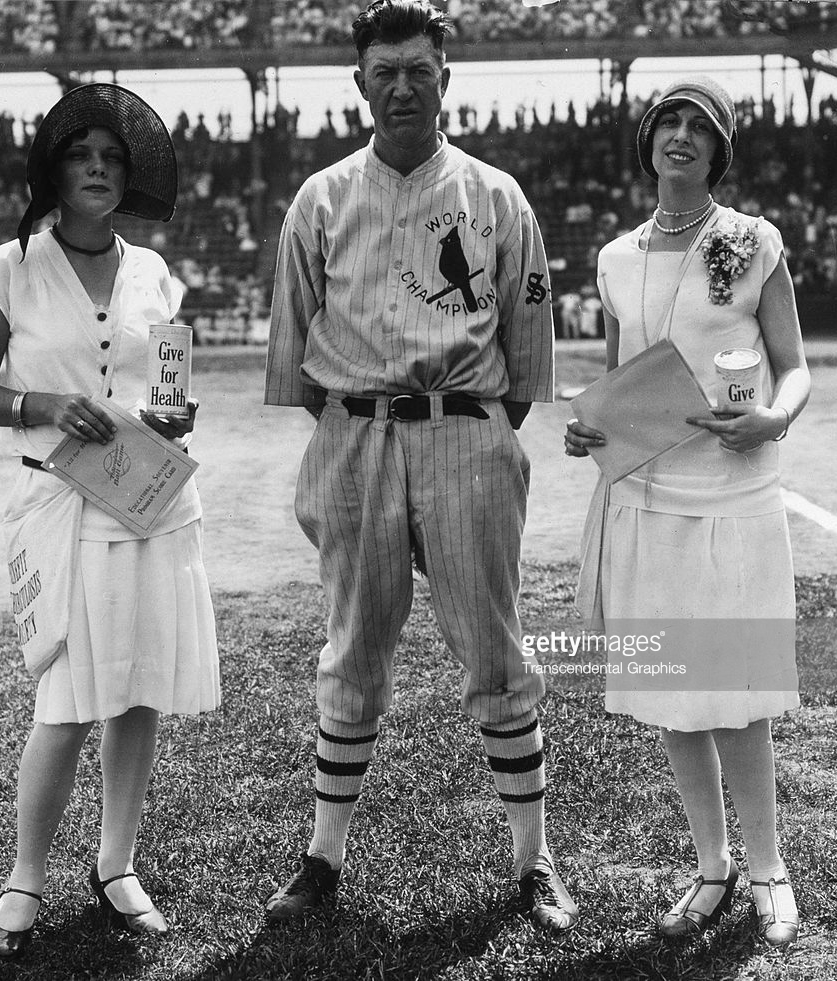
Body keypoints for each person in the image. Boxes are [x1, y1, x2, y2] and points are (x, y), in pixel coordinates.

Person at [264, 0, 576, 931]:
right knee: (352, 645)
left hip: (468, 434)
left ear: (447, 79)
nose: (403, 85)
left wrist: (464, 425)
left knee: (495, 646)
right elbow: (297, 360)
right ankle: (322, 858)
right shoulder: (319, 199)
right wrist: (368, 418)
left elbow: (526, 367)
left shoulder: (496, 196)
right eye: (385, 70)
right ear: (359, 82)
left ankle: (535, 861)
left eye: (420, 69)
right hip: (353, 435)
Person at [0, 83, 220, 959]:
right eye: (82, 156)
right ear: (55, 172)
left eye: (112, 158)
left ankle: (116, 864)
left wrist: (175, 416)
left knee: (137, 688)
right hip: (59, 501)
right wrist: (41, 400)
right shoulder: (12, 266)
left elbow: (166, 389)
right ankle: (24, 877)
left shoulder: (153, 274)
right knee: (65, 702)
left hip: (147, 498)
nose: (98, 170)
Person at [565, 77, 810, 947]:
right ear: (648, 142)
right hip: (650, 498)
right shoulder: (614, 258)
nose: (680, 135)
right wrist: (590, 432)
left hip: (735, 497)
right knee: (677, 693)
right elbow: (621, 387)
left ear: (717, 150)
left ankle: (769, 868)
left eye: (697, 126)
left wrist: (772, 420)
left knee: (738, 693)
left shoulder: (752, 242)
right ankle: (711, 866)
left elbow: (794, 365)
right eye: (667, 121)